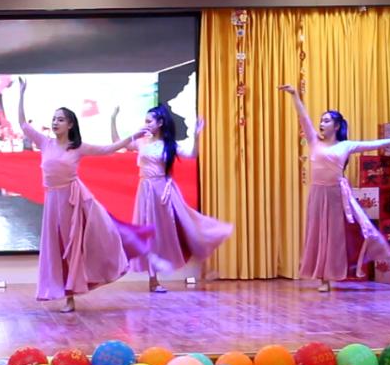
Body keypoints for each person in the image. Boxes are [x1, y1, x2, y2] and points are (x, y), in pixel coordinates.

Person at [18, 78, 161, 311]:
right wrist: (22, 93)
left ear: (70, 125)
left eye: (60, 119)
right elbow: (23, 124)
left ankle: (71, 297)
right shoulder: (45, 142)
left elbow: (109, 149)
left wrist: (132, 137)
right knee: (57, 247)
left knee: (73, 246)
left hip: (74, 202)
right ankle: (62, 292)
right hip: (53, 202)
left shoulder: (78, 147)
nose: (55, 122)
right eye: (54, 119)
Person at [279, 85, 390, 291]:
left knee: (363, 227)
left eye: (326, 121)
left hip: (338, 194)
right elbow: (303, 116)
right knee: (319, 235)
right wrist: (294, 95)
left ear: (336, 126)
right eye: (321, 120)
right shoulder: (314, 141)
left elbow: (374, 144)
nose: (321, 123)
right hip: (318, 194)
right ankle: (324, 279)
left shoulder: (346, 145)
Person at [113, 104, 232, 292]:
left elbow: (192, 154)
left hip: (163, 192)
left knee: (172, 229)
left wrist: (196, 136)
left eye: (149, 121)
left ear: (160, 123)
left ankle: (200, 243)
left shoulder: (169, 145)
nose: (146, 124)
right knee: (148, 233)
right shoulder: (142, 141)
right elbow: (118, 143)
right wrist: (113, 118)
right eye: (145, 121)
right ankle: (153, 280)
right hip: (146, 190)